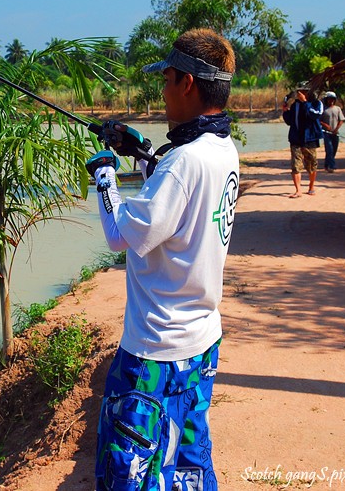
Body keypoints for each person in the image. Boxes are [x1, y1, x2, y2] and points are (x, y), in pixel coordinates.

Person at [86, 28, 239, 491]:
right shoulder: (222, 150)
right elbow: (178, 201)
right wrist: (142, 152)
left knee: (128, 474)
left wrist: (106, 175)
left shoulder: (183, 163)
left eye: (167, 79)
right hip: (201, 339)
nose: (163, 90)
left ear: (187, 83)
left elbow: (120, 237)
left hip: (155, 349)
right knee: (189, 465)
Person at [282, 83, 323, 197]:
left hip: (310, 139)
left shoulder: (316, 104)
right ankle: (298, 190)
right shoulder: (295, 105)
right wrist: (285, 111)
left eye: (304, 91)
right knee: (296, 165)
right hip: (296, 139)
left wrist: (305, 102)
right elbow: (290, 121)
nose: (300, 93)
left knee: (312, 165)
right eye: (299, 91)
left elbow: (314, 115)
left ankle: (311, 186)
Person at [320, 91, 345, 172]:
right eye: (329, 99)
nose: (331, 101)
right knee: (329, 149)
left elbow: (341, 120)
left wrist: (336, 129)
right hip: (326, 133)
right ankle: (332, 166)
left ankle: (327, 164)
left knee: (334, 150)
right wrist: (326, 125)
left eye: (332, 99)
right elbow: (319, 120)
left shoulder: (337, 109)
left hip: (335, 133)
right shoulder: (323, 109)